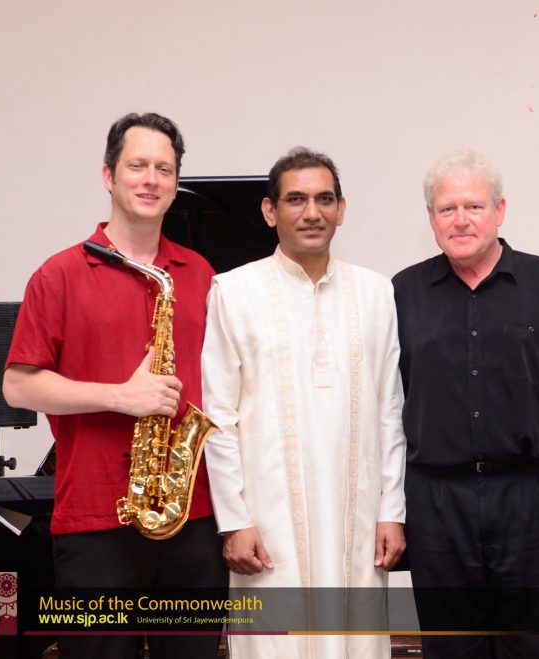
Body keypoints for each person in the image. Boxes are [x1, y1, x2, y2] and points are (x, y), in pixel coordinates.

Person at [3, 112, 227, 658]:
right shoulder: (58, 274)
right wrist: (119, 397)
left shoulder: (201, 273)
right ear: (108, 175)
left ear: (176, 183)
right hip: (96, 519)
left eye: (164, 169)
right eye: (137, 166)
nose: (151, 180)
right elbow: (17, 387)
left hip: (193, 516)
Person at [201, 147, 407, 659]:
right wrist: (234, 520)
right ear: (270, 211)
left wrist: (392, 511)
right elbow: (218, 418)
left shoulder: (376, 293)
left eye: (324, 199)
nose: (311, 212)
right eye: (296, 200)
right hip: (267, 522)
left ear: (342, 209)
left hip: (358, 519)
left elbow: (391, 409)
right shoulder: (233, 291)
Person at [393, 149, 539, 658]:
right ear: (431, 218)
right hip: (436, 501)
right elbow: (388, 399)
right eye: (447, 209)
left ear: (500, 211)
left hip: (528, 497)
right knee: (450, 647)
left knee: (529, 644)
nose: (460, 220)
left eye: (474, 206)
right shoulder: (403, 292)